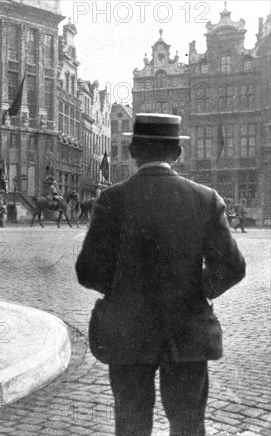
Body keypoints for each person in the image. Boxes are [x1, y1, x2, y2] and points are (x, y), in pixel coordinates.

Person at [76, 113, 246, 436]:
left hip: (128, 332)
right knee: (187, 425)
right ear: (178, 154)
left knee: (131, 425)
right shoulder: (206, 200)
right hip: (187, 331)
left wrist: (121, 287)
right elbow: (233, 266)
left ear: (132, 152)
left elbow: (87, 270)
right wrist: (200, 288)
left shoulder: (112, 199)